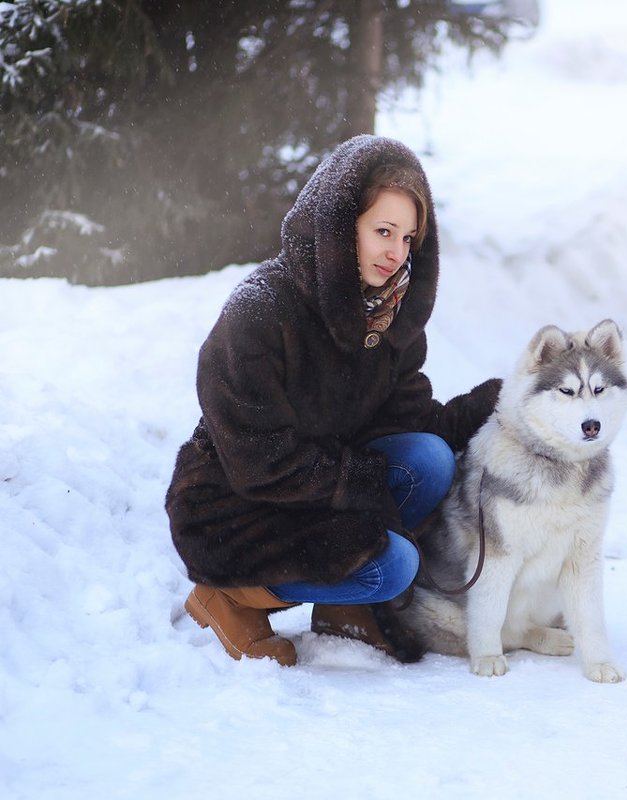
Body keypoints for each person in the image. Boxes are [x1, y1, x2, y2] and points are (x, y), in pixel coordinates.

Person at [165, 135, 500, 667]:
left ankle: (343, 610)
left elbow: (413, 421)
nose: (396, 253)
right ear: (340, 227)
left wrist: (500, 401)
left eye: (408, 238)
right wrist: (359, 482)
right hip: (238, 509)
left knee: (429, 461)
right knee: (392, 567)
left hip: (322, 489)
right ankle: (227, 596)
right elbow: (258, 463)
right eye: (382, 232)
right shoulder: (261, 313)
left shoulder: (388, 317)